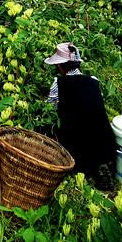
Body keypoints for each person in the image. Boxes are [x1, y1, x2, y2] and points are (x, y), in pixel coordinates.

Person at [45, 42, 116, 191]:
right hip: (102, 141)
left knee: (64, 126)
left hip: (74, 140)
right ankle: (98, 167)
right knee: (91, 125)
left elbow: (50, 111)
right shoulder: (94, 82)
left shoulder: (58, 83)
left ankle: (75, 167)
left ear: (60, 66)